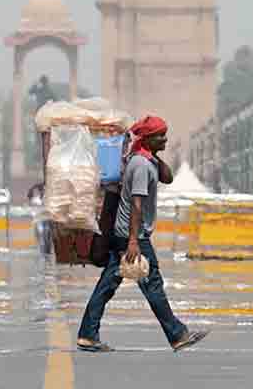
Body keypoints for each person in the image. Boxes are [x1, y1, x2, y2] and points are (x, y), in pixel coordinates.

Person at [77, 115, 208, 353]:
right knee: (152, 283)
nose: (166, 139)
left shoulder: (147, 161)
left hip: (125, 233)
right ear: (148, 138)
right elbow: (137, 205)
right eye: (161, 135)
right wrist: (134, 242)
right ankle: (177, 334)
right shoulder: (140, 166)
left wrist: (154, 155)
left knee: (108, 284)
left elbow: (167, 177)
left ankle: (87, 334)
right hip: (132, 235)